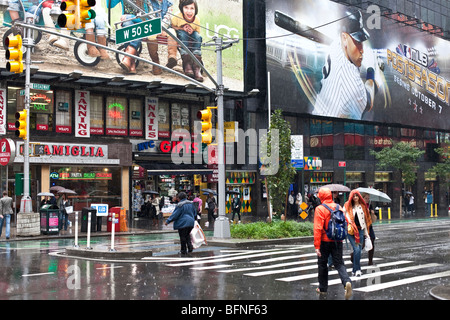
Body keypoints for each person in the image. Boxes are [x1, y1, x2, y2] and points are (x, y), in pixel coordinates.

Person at [313, 8, 378, 120]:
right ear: (344, 38)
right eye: (357, 42)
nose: (362, 49)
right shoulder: (351, 85)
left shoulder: (335, 46)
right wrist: (371, 73)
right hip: (333, 130)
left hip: (318, 119)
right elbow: (369, 102)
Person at [313, 187, 352, 299]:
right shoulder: (338, 207)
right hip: (337, 240)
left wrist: (317, 246)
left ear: (321, 197)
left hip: (324, 241)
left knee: (322, 264)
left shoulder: (320, 209)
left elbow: (318, 228)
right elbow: (345, 222)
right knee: (339, 263)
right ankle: (346, 282)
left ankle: (323, 288)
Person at [171, 0, 204, 81]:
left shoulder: (196, 19)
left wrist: (192, 30)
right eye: (186, 8)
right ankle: (187, 64)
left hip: (192, 34)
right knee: (183, 34)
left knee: (198, 37)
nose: (189, 11)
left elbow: (197, 32)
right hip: (181, 34)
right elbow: (172, 26)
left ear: (195, 10)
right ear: (182, 8)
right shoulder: (177, 17)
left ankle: (196, 68)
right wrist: (182, 28)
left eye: (192, 8)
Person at [343, 189, 372, 276]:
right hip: (351, 231)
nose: (355, 197)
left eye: (357, 196)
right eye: (354, 196)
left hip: (360, 230)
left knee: (358, 250)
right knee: (356, 249)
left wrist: (367, 234)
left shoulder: (363, 206)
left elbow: (366, 222)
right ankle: (358, 269)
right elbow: (342, 215)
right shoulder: (347, 205)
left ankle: (354, 269)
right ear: (351, 197)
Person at [165, 192, 196, 256]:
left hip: (182, 222)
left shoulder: (180, 205)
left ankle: (183, 250)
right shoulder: (191, 203)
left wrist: (168, 221)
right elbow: (195, 213)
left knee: (182, 237)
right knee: (187, 235)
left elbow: (175, 214)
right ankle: (190, 247)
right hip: (191, 222)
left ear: (179, 198)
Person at [361, 192, 377, 266]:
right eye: (366, 198)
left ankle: (370, 260)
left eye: (368, 198)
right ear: (362, 198)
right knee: (362, 244)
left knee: (372, 240)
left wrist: (372, 213)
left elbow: (373, 218)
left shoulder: (370, 206)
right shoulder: (360, 206)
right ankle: (353, 256)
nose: (367, 200)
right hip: (362, 227)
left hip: (369, 226)